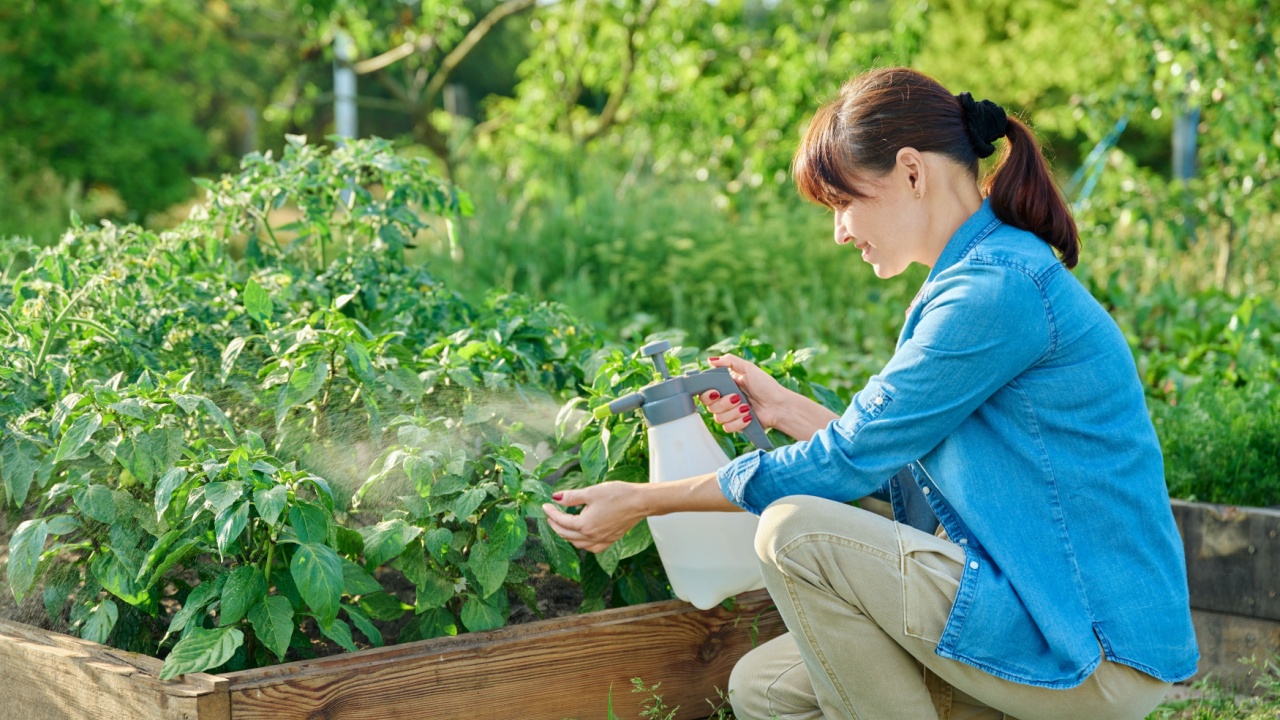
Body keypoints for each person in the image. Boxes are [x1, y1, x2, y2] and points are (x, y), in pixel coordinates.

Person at [543, 67, 1198, 720]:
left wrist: (645, 502)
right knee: (763, 688)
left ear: (911, 171)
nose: (840, 232)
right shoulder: (976, 277)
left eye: (842, 203)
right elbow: (902, 476)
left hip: (1086, 647)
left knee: (792, 533)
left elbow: (851, 460)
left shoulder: (993, 292)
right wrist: (785, 411)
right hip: (1029, 602)